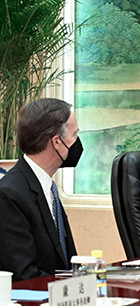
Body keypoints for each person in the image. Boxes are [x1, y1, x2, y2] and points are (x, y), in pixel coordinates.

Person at [0, 98, 82, 281]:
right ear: (57, 142)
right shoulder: (9, 194)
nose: (77, 142)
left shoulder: (47, 186)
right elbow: (24, 275)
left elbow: (65, 261)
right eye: (74, 135)